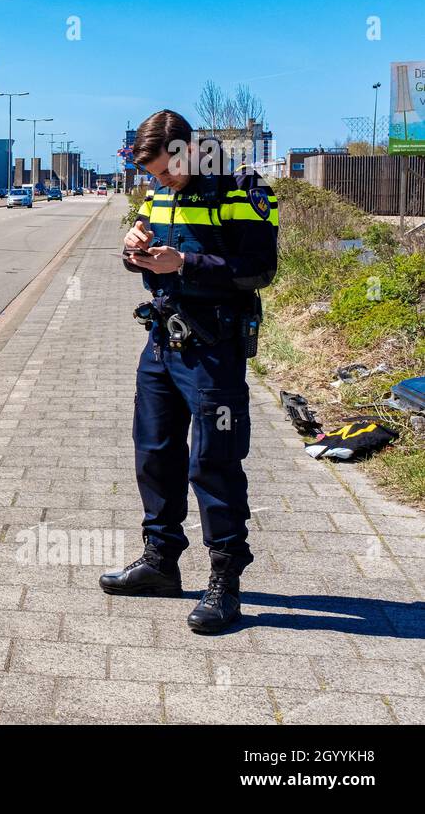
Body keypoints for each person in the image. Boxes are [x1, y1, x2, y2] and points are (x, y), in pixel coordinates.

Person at [100, 109, 279, 634]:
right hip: (162, 340)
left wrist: (184, 264)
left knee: (214, 461)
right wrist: (136, 254)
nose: (159, 182)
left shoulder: (241, 187)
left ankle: (225, 582)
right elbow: (152, 252)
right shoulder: (160, 193)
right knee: (154, 452)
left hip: (213, 347)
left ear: (185, 150)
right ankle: (160, 561)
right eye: (152, 175)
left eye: (164, 171)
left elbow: (258, 270)